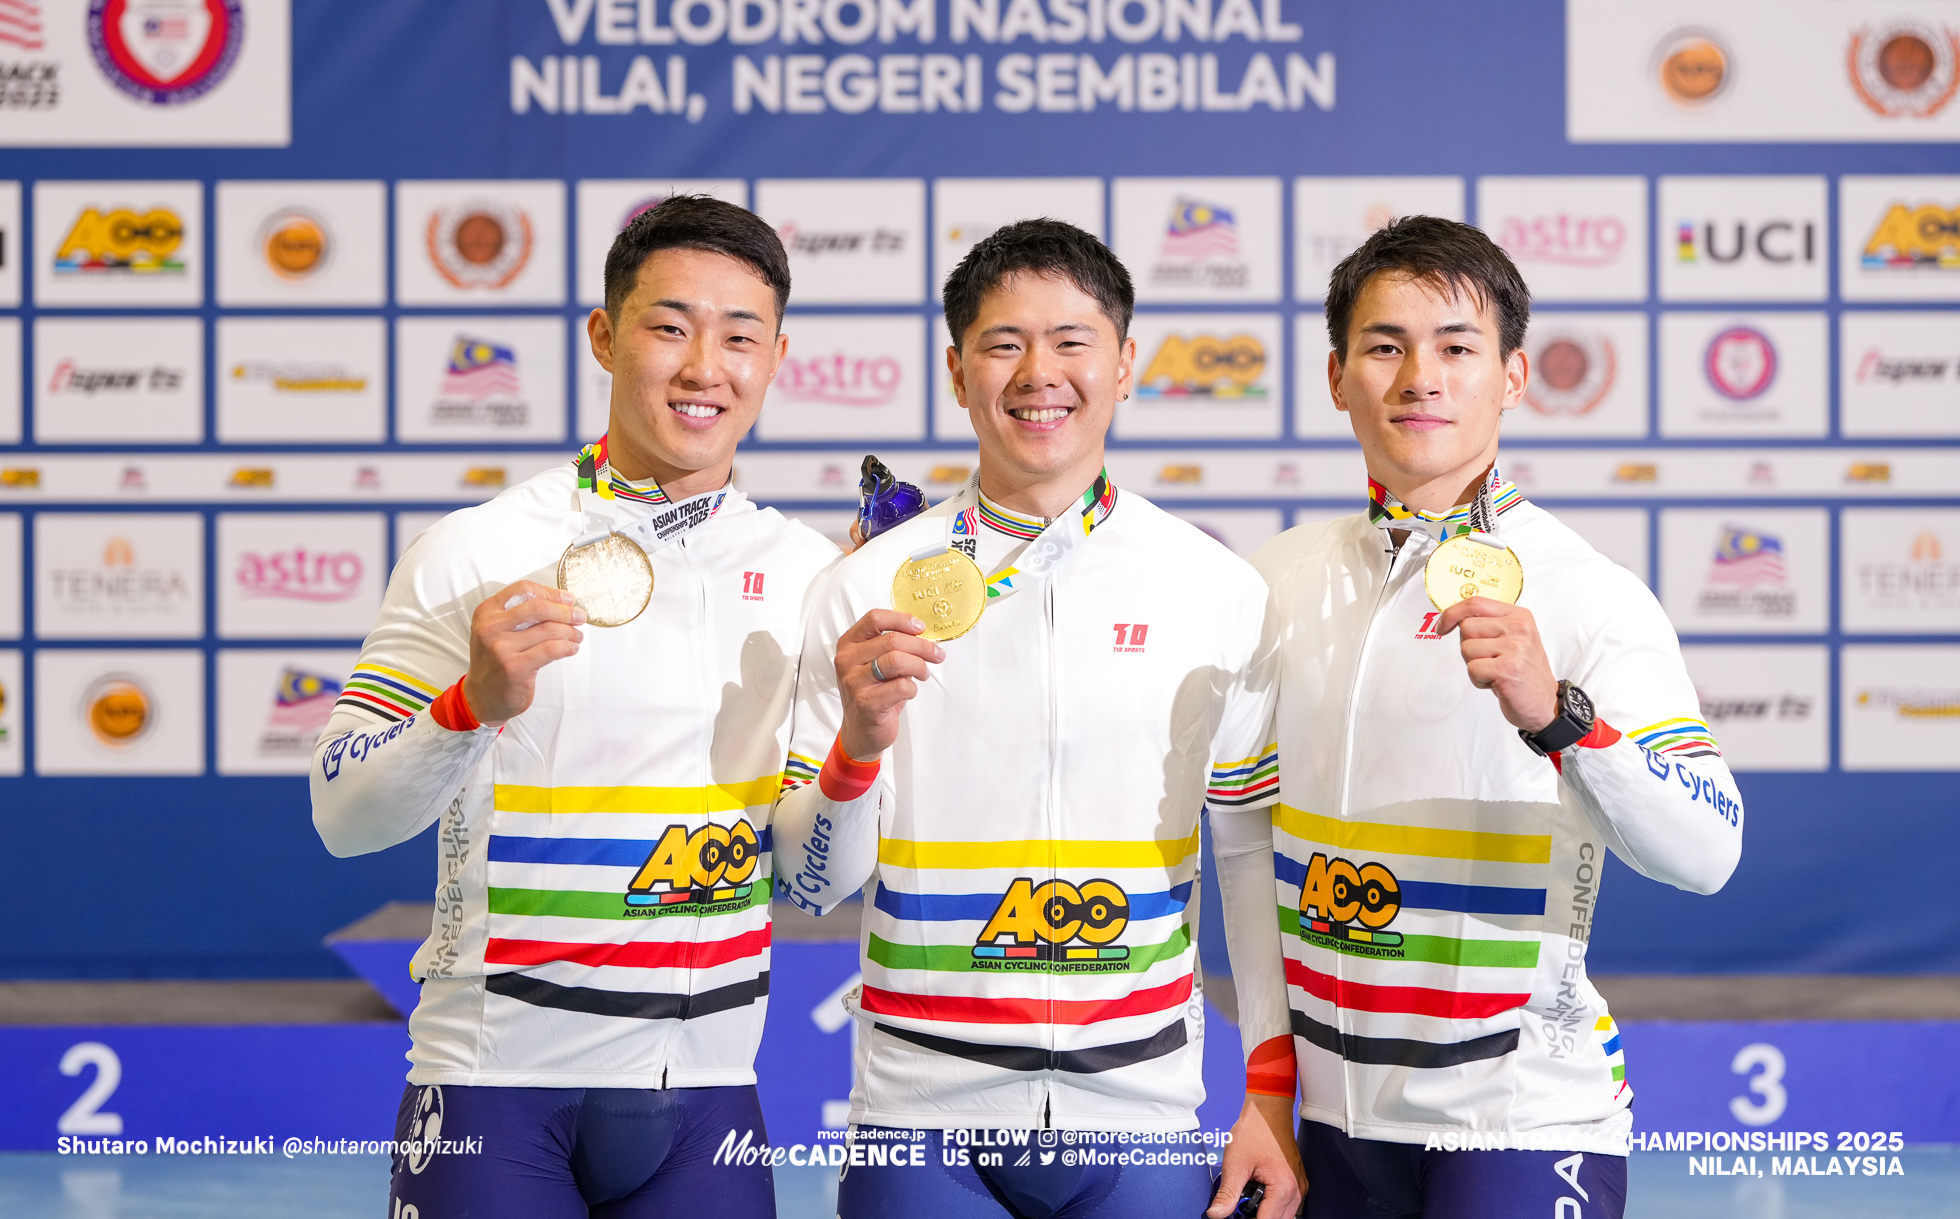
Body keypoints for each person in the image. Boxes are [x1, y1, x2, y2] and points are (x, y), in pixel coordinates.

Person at [309, 196, 837, 1216]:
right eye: (669, 326)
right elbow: (342, 813)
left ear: (776, 357)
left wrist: (864, 743)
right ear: (603, 334)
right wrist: (467, 704)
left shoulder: (813, 575)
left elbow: (821, 872)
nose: (703, 367)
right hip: (493, 1088)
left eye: (739, 336)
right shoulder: (476, 549)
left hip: (710, 1099)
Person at [772, 219, 1306, 1219]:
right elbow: (810, 883)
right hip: (918, 1117)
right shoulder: (866, 589)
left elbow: (1245, 861)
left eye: (1071, 341)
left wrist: (1270, 1088)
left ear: (1125, 364)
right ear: (956, 368)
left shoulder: (1213, 587)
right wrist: (856, 747)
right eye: (1003, 343)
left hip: (1139, 1113)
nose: (1038, 373)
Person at [1249, 216, 1744, 1218]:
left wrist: (1562, 717)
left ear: (1512, 377)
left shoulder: (1588, 594)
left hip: (1520, 1119)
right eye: (1385, 346)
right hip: (1335, 1126)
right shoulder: (1272, 580)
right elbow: (1221, 841)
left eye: (1456, 347)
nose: (1419, 377)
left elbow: (1708, 849)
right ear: (1337, 374)